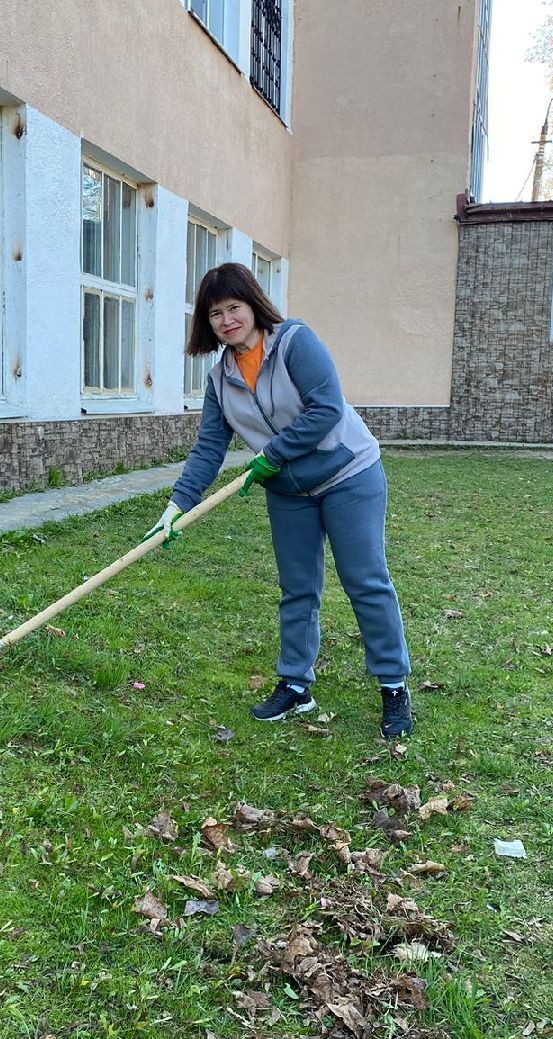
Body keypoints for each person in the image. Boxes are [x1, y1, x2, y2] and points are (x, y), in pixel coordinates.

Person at [146, 262, 414, 739]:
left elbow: (327, 407)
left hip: (348, 474)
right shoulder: (219, 379)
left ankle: (393, 687)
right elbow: (209, 448)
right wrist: (177, 506)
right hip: (290, 492)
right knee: (297, 590)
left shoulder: (294, 342)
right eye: (215, 314)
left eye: (234, 307)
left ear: (253, 305)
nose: (227, 320)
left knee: (366, 582)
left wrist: (273, 454)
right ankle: (296, 686)